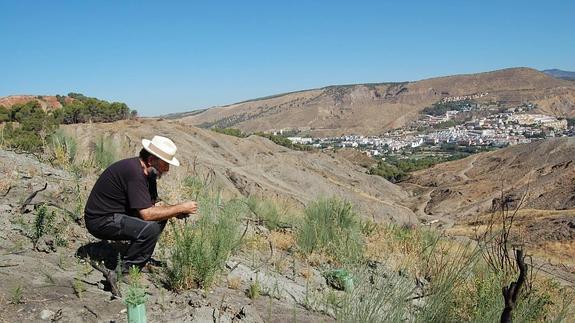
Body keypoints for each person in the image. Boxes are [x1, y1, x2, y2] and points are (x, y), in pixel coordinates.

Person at [84, 135, 197, 273]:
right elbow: (147, 215)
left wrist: (176, 211)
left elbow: (154, 205)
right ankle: (127, 270)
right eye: (165, 164)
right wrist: (180, 207)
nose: (167, 169)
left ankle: (139, 257)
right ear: (151, 160)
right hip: (100, 220)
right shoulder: (134, 173)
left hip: (115, 215)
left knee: (160, 217)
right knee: (151, 228)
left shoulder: (149, 174)